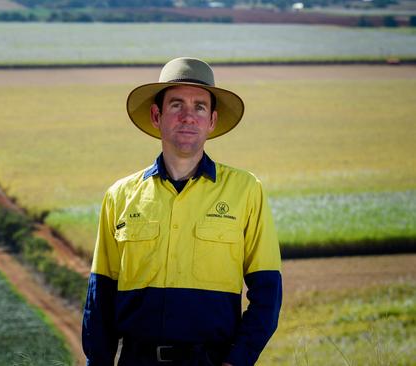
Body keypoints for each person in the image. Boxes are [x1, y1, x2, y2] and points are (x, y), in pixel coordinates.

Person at [82, 57, 282, 366]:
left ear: (212, 121)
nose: (188, 117)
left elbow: (268, 291)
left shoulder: (246, 190)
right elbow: (100, 299)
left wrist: (237, 361)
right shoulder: (119, 196)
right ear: (156, 116)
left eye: (199, 107)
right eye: (176, 105)